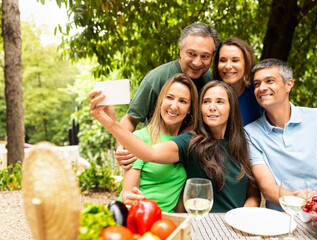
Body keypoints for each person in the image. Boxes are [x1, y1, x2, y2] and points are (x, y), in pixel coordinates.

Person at [89, 80, 260, 212]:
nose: (212, 107)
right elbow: (149, 153)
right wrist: (109, 122)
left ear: (232, 108)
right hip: (199, 222)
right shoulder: (191, 141)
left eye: (220, 102)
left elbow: (252, 191)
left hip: (238, 224)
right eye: (206, 101)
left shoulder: (243, 143)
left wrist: (244, 215)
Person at [244, 58, 317, 211]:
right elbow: (267, 187)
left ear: (288, 85)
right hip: (281, 218)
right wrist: (300, 202)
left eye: (269, 81)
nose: (261, 88)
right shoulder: (251, 133)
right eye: (257, 84)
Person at [117, 22, 219, 169]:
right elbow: (130, 119)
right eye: (191, 54)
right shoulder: (156, 78)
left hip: (194, 161)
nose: (197, 62)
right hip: (155, 162)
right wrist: (122, 149)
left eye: (205, 56)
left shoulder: (212, 81)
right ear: (180, 50)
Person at [118, 74, 198, 212]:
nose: (174, 106)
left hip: (168, 221)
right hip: (139, 216)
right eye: (169, 97)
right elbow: (130, 197)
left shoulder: (187, 142)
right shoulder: (140, 138)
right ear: (160, 100)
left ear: (190, 108)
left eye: (183, 101)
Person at [213, 37, 262, 126]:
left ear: (247, 63)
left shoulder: (258, 88)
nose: (228, 66)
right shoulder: (210, 92)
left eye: (235, 60)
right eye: (223, 60)